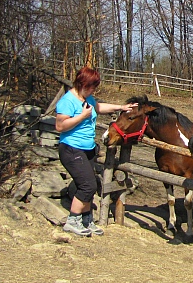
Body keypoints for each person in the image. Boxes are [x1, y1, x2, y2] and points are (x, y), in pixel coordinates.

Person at [55, 67, 137, 236]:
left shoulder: (88, 98)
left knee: (87, 185)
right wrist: (82, 117)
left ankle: (86, 220)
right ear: (81, 83)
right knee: (88, 185)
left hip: (87, 149)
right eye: (91, 87)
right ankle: (73, 220)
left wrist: (121, 107)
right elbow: (60, 126)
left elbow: (99, 107)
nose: (93, 90)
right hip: (71, 148)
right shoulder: (68, 101)